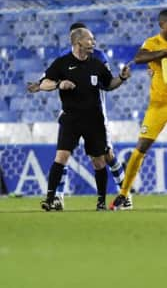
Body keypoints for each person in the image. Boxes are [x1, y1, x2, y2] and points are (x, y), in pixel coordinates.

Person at [27, 22, 130, 209]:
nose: (93, 42)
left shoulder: (98, 61)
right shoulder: (62, 62)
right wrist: (57, 84)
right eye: (89, 39)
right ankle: (53, 199)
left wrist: (121, 78)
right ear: (78, 42)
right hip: (71, 117)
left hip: (96, 118)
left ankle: (110, 198)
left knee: (102, 158)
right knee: (62, 156)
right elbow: (45, 82)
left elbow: (108, 84)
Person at [109, 9, 167, 210]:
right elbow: (139, 58)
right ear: (162, 25)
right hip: (157, 107)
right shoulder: (153, 43)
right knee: (140, 149)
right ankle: (123, 194)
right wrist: (166, 52)